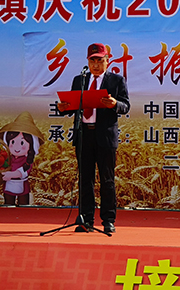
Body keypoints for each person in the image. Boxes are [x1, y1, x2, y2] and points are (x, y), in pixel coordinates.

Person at [57, 43, 129, 233]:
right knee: (85, 179)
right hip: (84, 135)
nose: (96, 65)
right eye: (92, 61)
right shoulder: (80, 80)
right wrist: (63, 108)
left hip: (105, 136)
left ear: (108, 61)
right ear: (88, 62)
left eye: (100, 60)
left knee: (107, 179)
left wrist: (114, 104)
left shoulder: (116, 80)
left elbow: (126, 106)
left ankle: (108, 220)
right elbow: (73, 106)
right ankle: (85, 219)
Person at [0, 111, 44, 206]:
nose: (16, 147)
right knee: (8, 203)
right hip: (9, 186)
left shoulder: (28, 160)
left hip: (22, 186)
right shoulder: (7, 158)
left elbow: (24, 171)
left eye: (22, 143)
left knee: (23, 205)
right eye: (12, 142)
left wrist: (11, 174)